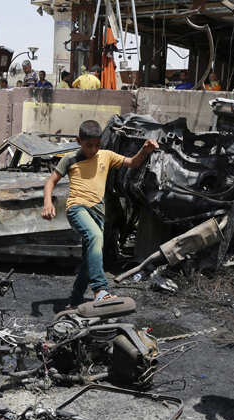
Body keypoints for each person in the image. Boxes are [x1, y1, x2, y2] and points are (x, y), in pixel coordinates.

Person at [42, 120, 158, 308]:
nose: (93, 150)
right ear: (79, 141)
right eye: (89, 145)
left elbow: (133, 162)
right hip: (77, 208)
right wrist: (48, 202)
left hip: (98, 213)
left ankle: (74, 303)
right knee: (95, 236)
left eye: (97, 145)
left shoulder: (106, 156)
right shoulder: (70, 159)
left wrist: (145, 150)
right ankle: (100, 290)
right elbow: (50, 181)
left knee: (90, 261)